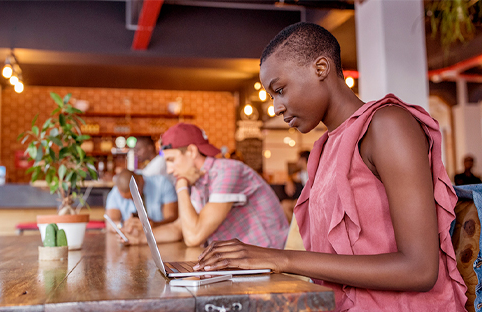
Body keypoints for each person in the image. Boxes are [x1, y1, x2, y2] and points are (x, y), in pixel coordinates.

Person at [194, 22, 467, 311]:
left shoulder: (388, 125)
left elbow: (420, 269)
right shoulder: (324, 147)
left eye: (280, 90)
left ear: (321, 68)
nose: (276, 107)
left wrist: (280, 259)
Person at [124, 123, 289, 248]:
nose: (168, 169)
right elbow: (178, 228)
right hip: (243, 264)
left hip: (271, 265)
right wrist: (139, 238)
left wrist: (181, 184)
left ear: (191, 152)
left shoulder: (227, 171)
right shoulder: (200, 180)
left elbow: (194, 237)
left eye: (171, 160)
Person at [105, 169, 177, 230]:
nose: (133, 201)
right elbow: (110, 223)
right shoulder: (115, 192)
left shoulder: (162, 184)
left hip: (160, 237)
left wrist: (154, 225)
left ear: (141, 180)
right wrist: (123, 225)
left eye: (134, 196)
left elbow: (172, 219)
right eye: (128, 198)